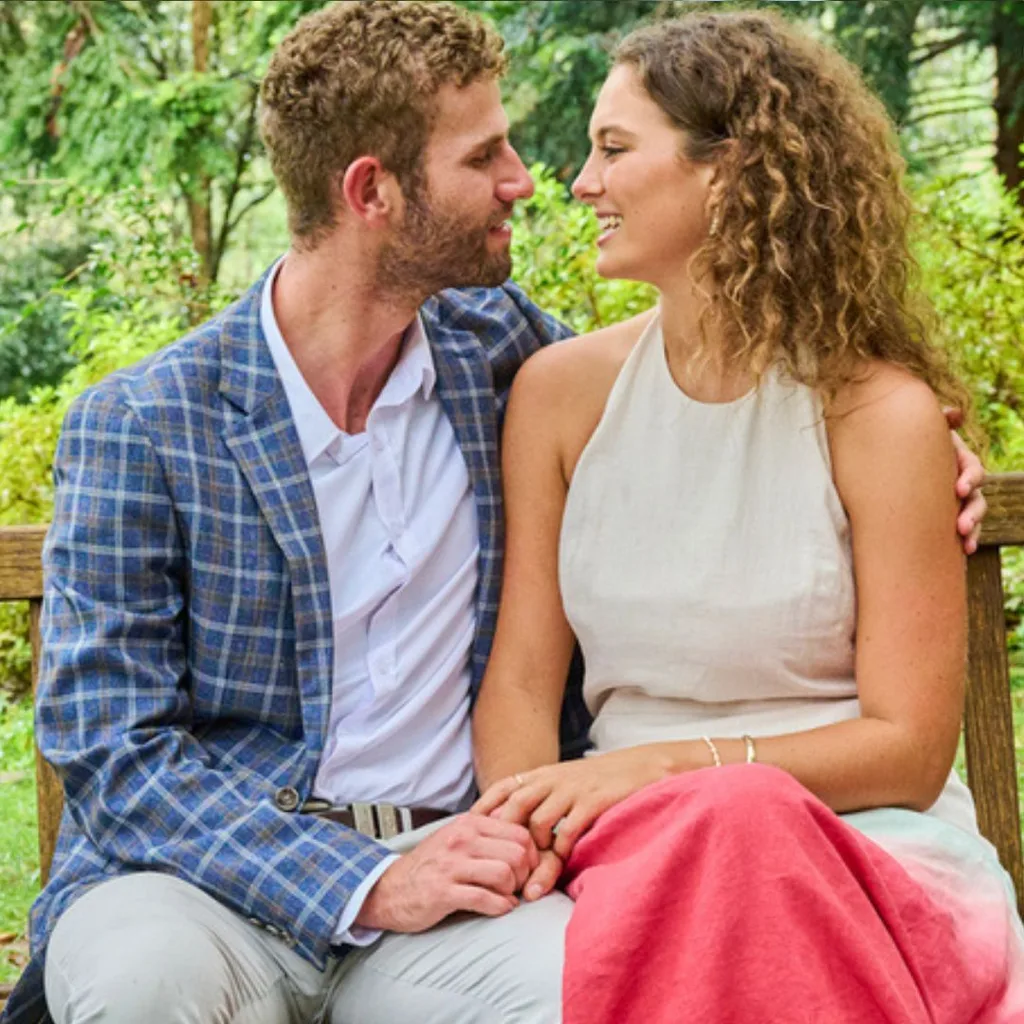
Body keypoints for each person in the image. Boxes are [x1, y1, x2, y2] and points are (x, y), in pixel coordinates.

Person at [1, 4, 986, 1024]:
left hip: (459, 871)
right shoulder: (145, 423)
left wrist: (916, 443)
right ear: (371, 191)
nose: (527, 178)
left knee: (602, 992)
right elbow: (114, 750)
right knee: (143, 987)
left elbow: (718, 385)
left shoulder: (496, 355)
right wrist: (362, 884)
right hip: (206, 885)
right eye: (485, 156)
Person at [471, 10, 1024, 1022]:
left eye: (612, 148)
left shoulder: (878, 415)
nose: (580, 182)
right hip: (633, 836)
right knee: (723, 839)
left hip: (865, 844)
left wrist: (692, 769)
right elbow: (517, 682)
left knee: (748, 825)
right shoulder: (557, 397)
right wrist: (534, 823)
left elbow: (907, 748)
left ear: (727, 172)